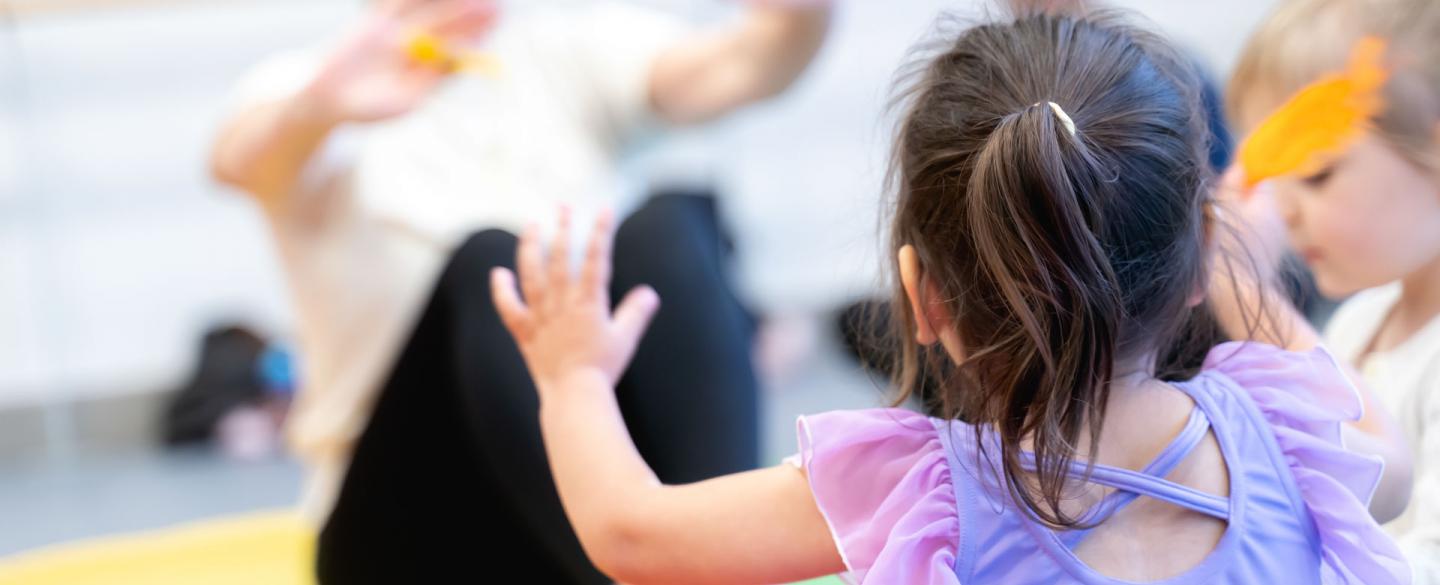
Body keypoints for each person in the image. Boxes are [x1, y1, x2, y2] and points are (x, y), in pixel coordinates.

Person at [489, 8, 1413, 583]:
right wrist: (1255, 289)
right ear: (1191, 265)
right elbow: (1391, 464)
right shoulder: (1286, 433)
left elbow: (631, 536)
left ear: (920, 298)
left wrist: (573, 377)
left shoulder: (916, 489)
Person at [208, 0, 831, 581]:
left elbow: (742, 63)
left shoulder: (563, 54)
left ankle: (711, 560)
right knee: (492, 262)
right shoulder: (314, 83)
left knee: (670, 223)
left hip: (593, 500)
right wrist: (319, 105)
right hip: (406, 525)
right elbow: (242, 162)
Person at [1226, 0, 1440, 581]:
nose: (1284, 211)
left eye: (1317, 173)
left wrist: (1246, 298)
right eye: (1272, 179)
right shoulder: (1358, 318)